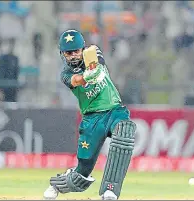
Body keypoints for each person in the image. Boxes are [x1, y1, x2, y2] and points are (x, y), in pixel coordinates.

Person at [43, 29, 136, 200]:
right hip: (91, 120)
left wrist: (95, 69)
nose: (72, 56)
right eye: (68, 53)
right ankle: (56, 183)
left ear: (82, 48)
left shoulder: (93, 52)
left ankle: (110, 189)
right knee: (82, 174)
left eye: (76, 51)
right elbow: (76, 81)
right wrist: (87, 76)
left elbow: (96, 62)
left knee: (125, 131)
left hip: (113, 110)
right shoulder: (65, 74)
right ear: (62, 53)